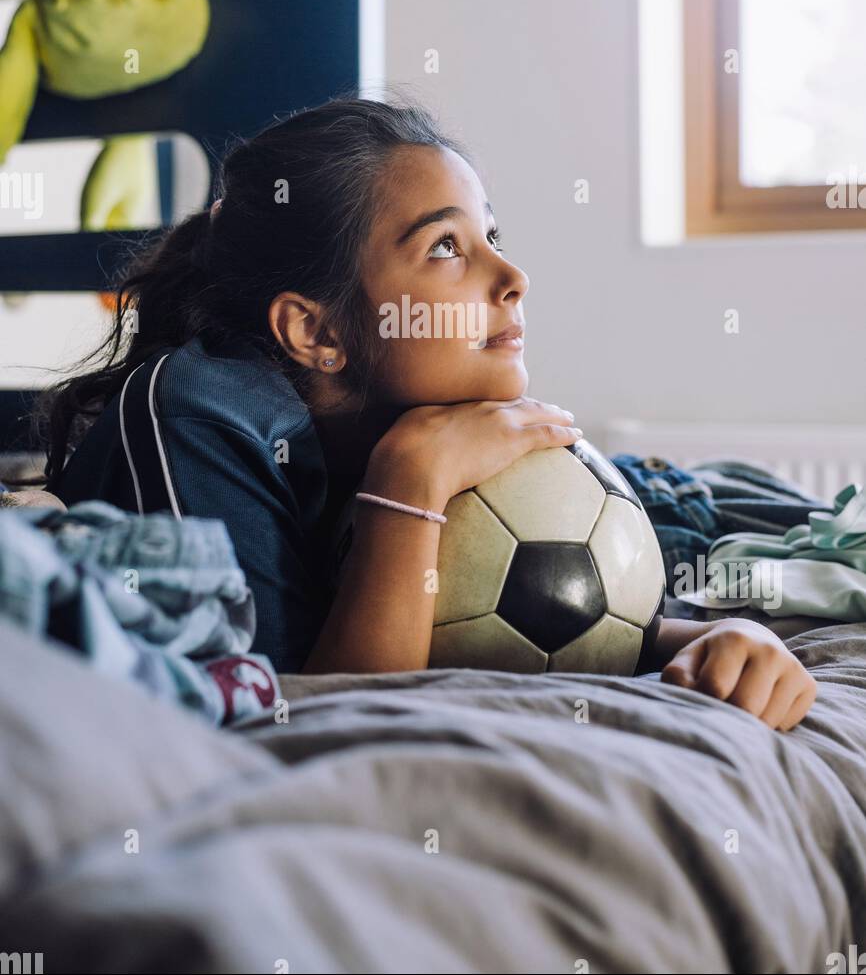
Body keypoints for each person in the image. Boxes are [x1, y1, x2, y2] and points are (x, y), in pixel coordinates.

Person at [36, 94, 817, 730]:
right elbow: (300, 719)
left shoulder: (431, 412)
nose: (512, 276)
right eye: (446, 246)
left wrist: (720, 635)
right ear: (315, 330)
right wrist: (409, 484)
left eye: (493, 236)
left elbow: (556, 617)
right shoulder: (197, 416)